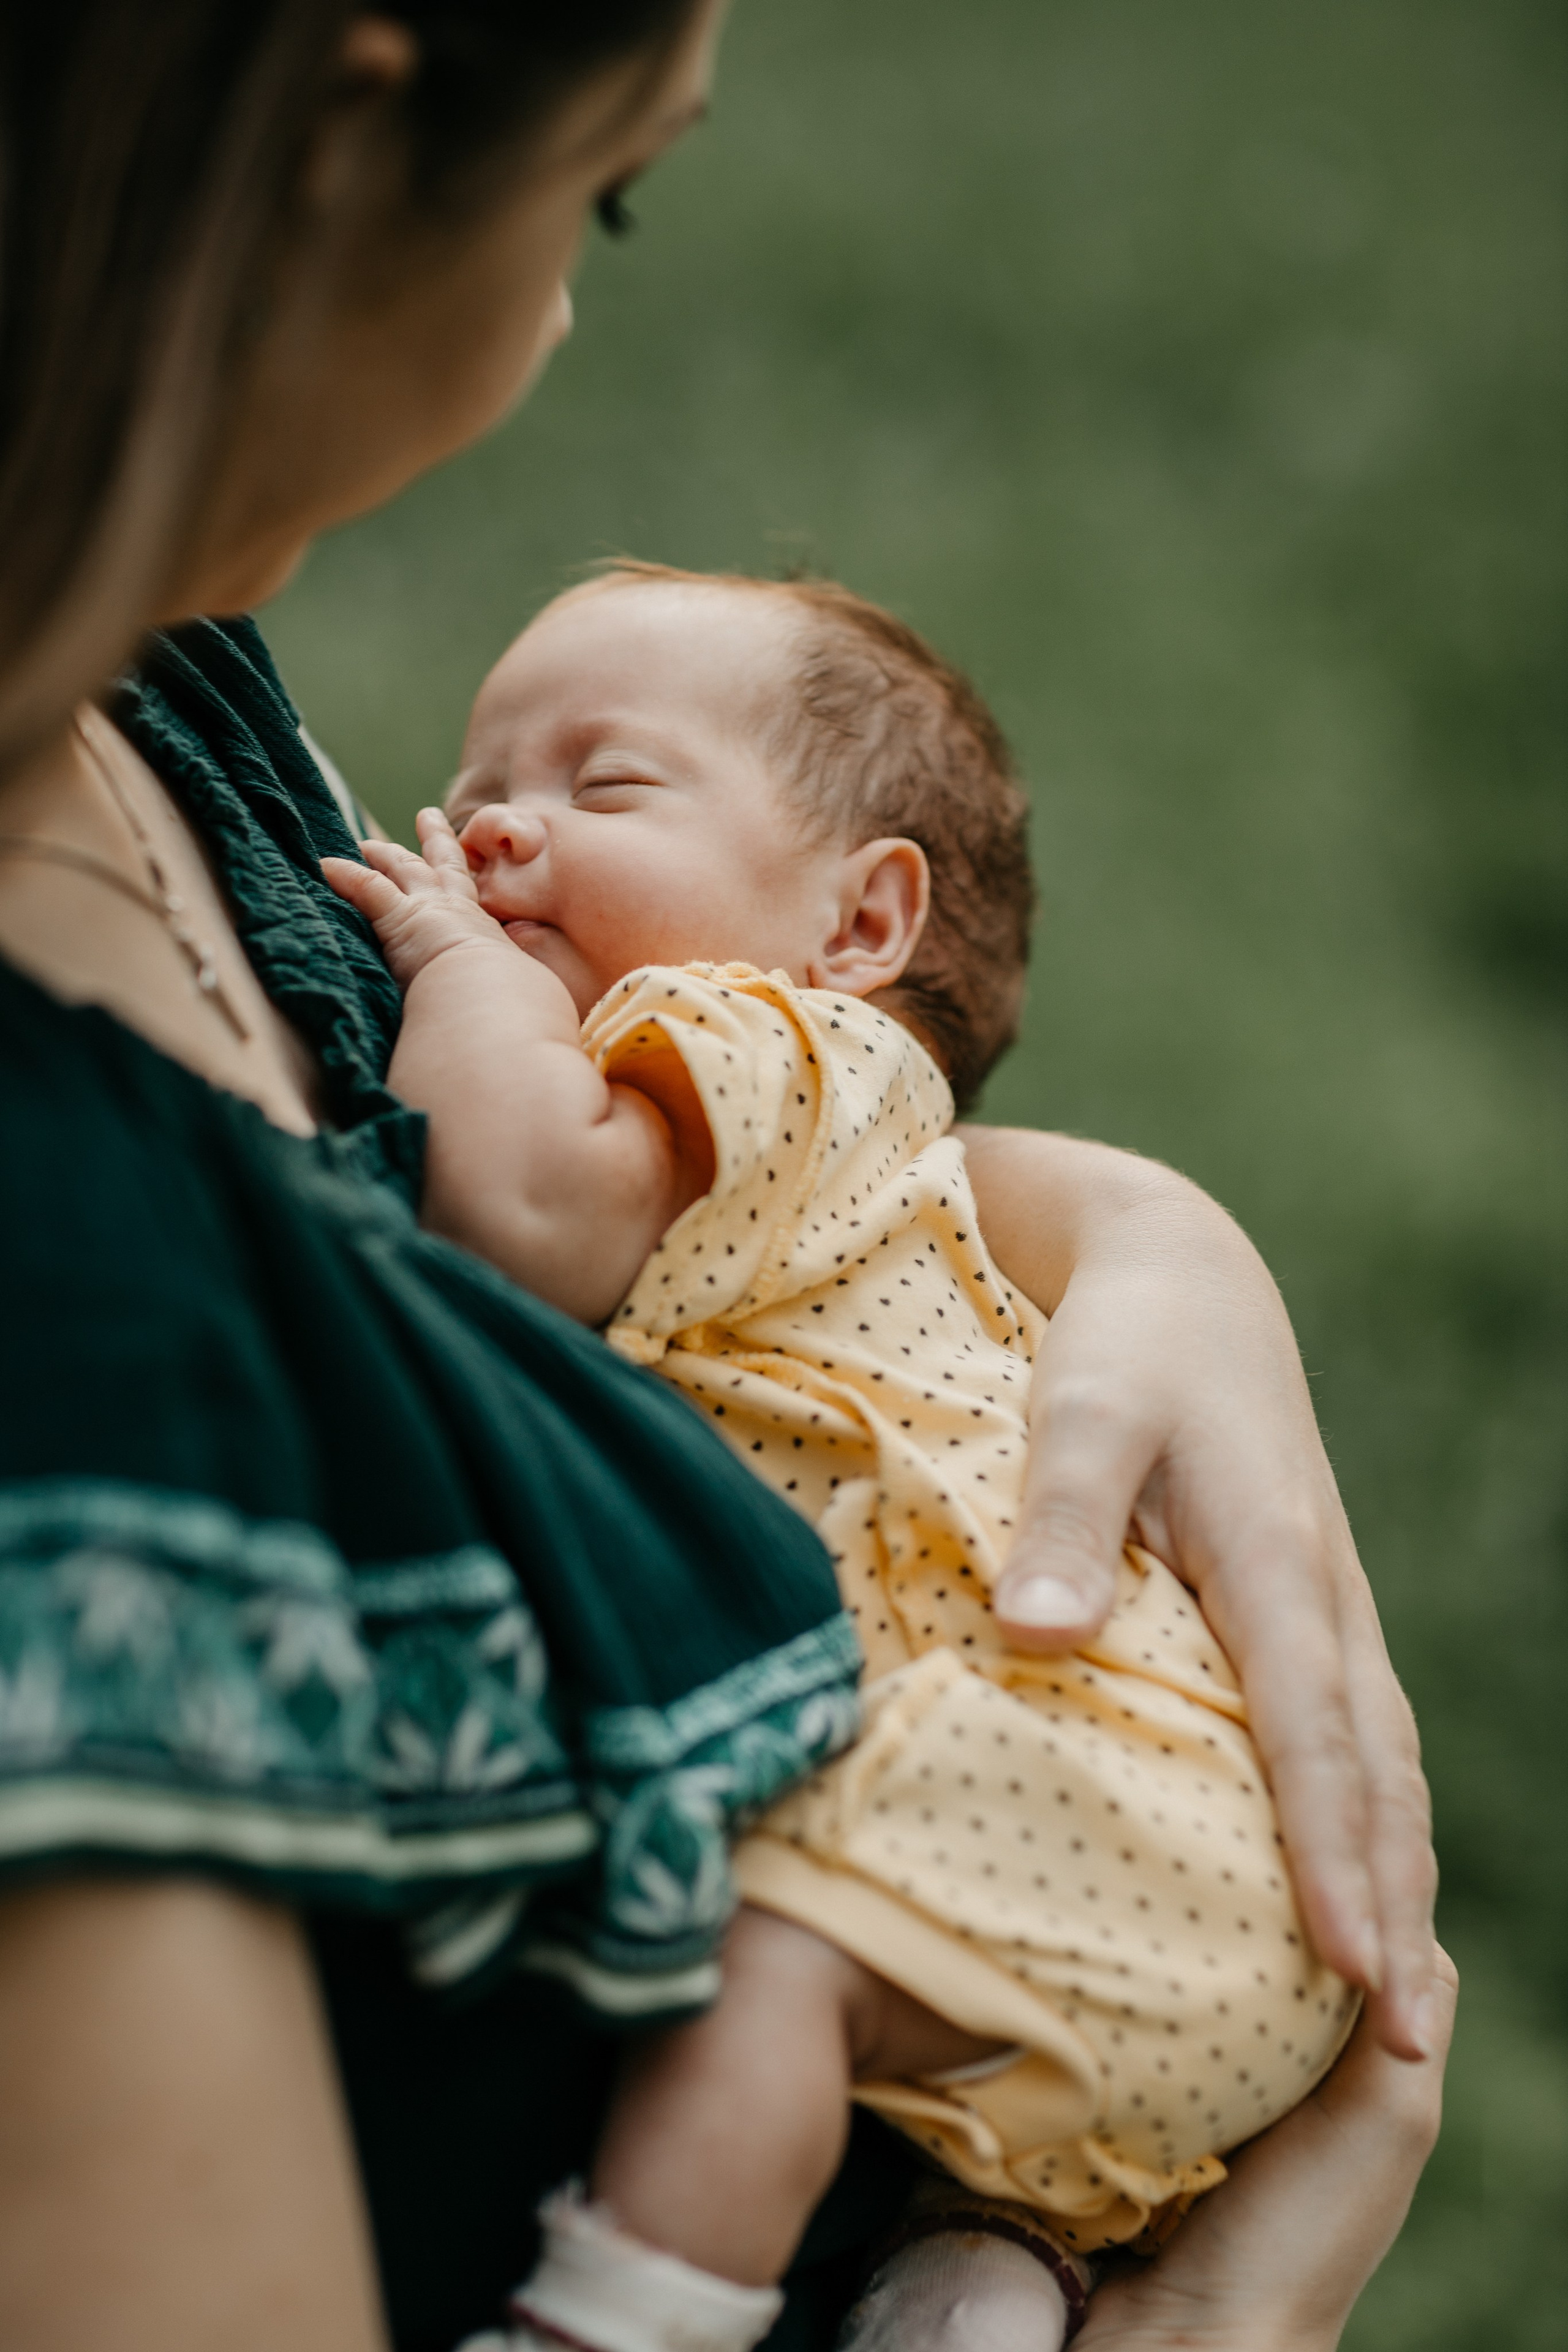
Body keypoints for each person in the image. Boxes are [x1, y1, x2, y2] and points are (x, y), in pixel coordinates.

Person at [0, 7, 1440, 2349]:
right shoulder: (68, 1271)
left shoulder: (149, 688)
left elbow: (650, 1191)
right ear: (332, 146)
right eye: (612, 187)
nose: (479, 838)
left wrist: (1161, 1251)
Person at [323, 563, 1363, 2352]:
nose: (491, 834)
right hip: (1166, 1908)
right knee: (893, 2090)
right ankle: (982, 2276)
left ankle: (611, 2325)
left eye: (604, 784)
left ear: (861, 923)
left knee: (774, 1971)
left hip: (1103, 1822)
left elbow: (525, 1206)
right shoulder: (858, 1184)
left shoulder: (774, 1046)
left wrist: (442, 963)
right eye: (479, 788)